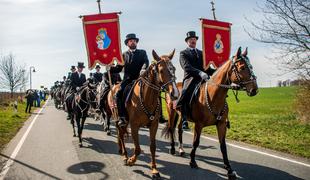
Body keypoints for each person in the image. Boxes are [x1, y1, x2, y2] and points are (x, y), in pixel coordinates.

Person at [177, 31, 215, 129]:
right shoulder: (183, 53)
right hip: (191, 78)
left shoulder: (202, 53)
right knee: (185, 94)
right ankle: (184, 118)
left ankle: (221, 116)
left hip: (204, 79)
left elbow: (207, 68)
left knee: (218, 91)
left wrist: (217, 71)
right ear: (187, 42)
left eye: (194, 39)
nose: (193, 41)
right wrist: (200, 73)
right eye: (191, 40)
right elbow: (187, 67)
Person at [109, 33, 149, 127]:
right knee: (119, 94)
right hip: (127, 79)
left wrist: (143, 69)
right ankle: (122, 117)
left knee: (154, 90)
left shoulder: (142, 52)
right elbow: (118, 68)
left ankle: (158, 116)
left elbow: (146, 62)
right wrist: (110, 68)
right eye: (131, 41)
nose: (133, 42)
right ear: (127, 43)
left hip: (140, 78)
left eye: (134, 41)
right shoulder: (123, 55)